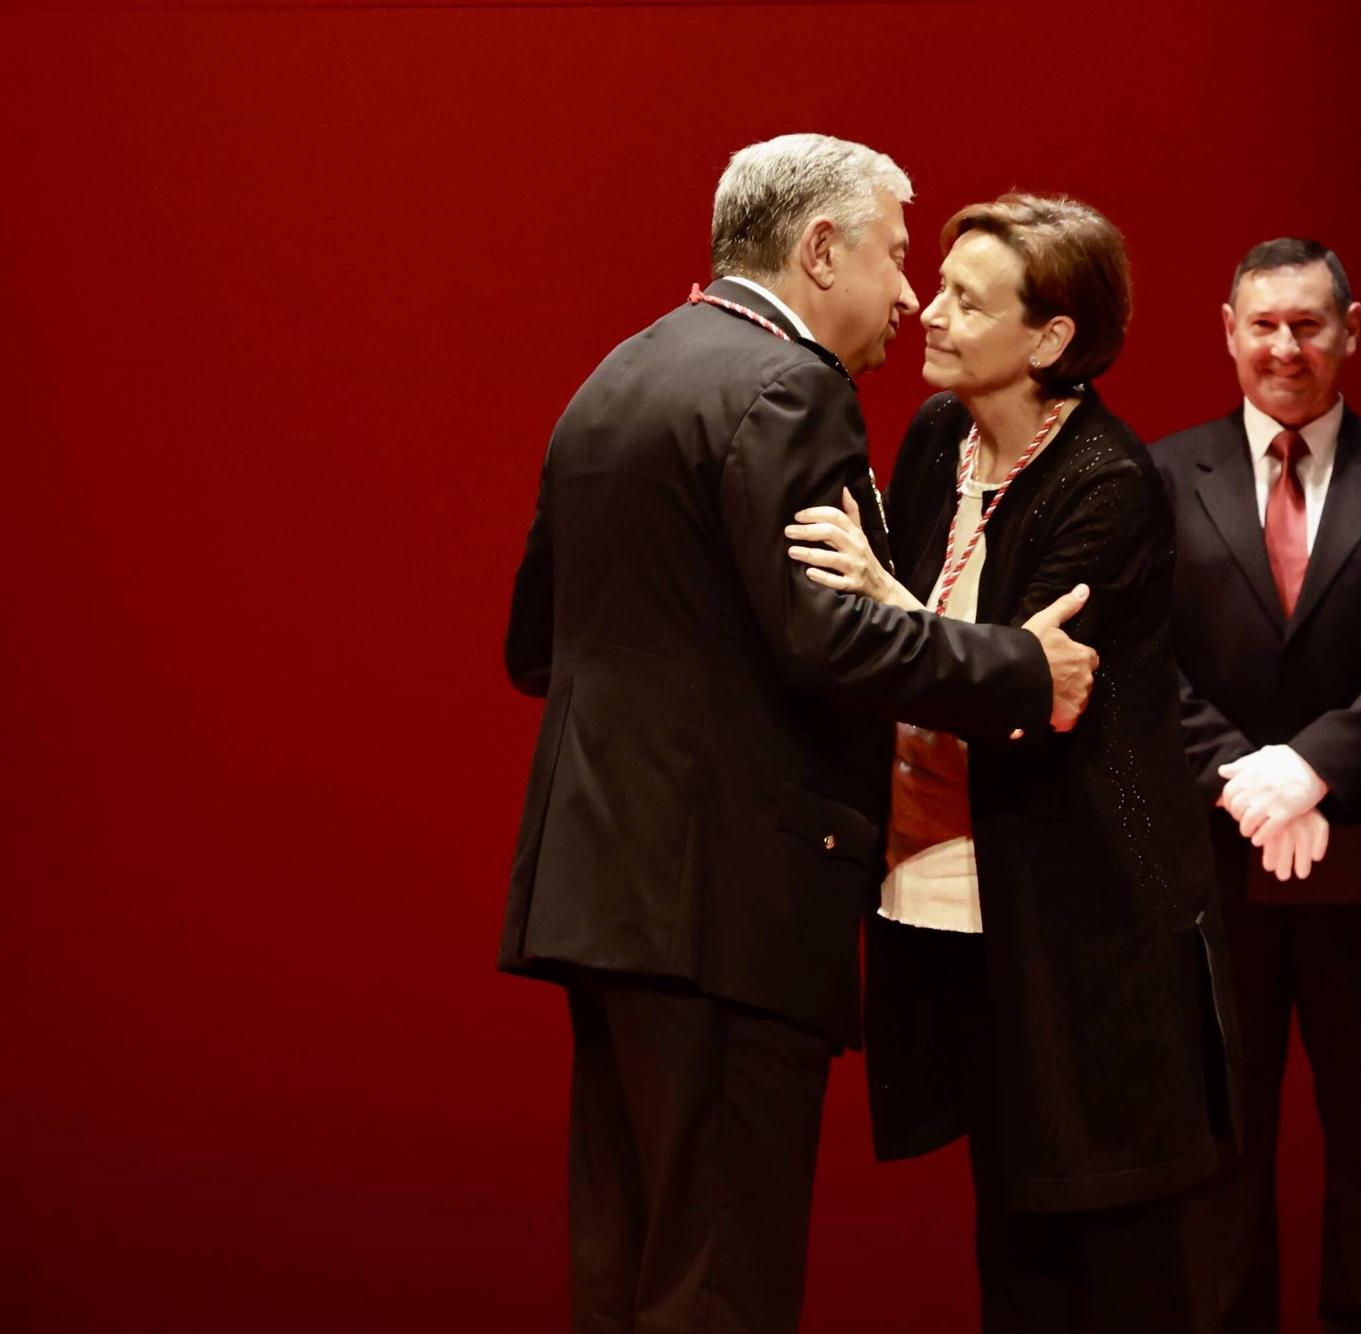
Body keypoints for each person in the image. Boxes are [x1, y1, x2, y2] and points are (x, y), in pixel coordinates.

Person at [499, 136, 1101, 1334]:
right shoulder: (791, 386)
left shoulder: (619, 371)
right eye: (890, 256)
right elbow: (823, 638)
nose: (906, 295)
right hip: (727, 907)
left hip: (602, 892)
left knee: (631, 1265)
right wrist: (1021, 665)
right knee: (718, 1276)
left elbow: (533, 645)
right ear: (818, 249)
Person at [784, 193, 1234, 1333]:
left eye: (963, 299)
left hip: (1086, 918)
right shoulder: (938, 436)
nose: (923, 312)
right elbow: (958, 663)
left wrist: (883, 603)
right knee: (1012, 1237)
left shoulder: (1106, 482)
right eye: (934, 285)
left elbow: (1026, 695)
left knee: (1107, 1242)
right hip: (950, 908)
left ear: (1050, 339)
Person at [1152, 239, 1361, 1334]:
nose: (1283, 347)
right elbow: (1141, 655)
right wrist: (1243, 780)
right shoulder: (1160, 476)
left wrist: (1312, 768)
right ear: (1226, 330)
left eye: (1307, 324)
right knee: (1218, 1137)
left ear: (1350, 328)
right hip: (1212, 852)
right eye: (1262, 325)